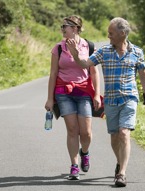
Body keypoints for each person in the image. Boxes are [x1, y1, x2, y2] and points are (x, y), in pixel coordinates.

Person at [66, 17, 145, 187]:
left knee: (124, 133)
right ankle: (120, 162)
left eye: (111, 33)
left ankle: (122, 173)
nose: (108, 36)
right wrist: (76, 55)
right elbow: (85, 64)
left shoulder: (137, 52)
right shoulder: (104, 52)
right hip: (111, 101)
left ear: (122, 34)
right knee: (114, 136)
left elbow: (144, 77)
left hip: (129, 98)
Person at [44, 15, 101, 180]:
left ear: (75, 28)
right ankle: (74, 165)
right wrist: (49, 98)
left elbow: (93, 72)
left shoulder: (88, 46)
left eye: (65, 27)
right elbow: (53, 73)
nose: (62, 30)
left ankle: (85, 152)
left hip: (83, 92)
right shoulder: (58, 48)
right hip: (63, 92)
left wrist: (96, 94)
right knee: (72, 130)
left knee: (87, 132)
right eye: (62, 27)